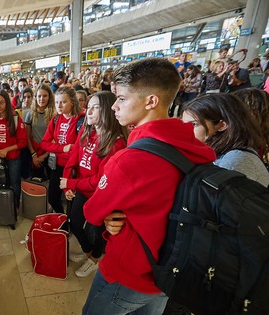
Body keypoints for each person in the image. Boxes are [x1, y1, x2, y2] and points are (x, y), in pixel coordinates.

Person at [81, 58, 216, 315]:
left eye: (121, 99)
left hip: (130, 273)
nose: (115, 107)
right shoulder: (198, 148)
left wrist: (111, 216)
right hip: (171, 271)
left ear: (151, 101)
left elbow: (92, 213)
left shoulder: (129, 160)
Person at [60, 91, 127, 278]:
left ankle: (95, 258)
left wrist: (72, 182)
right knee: (74, 222)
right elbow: (73, 158)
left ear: (107, 110)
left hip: (101, 195)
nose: (88, 111)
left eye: (94, 107)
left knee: (98, 231)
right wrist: (68, 186)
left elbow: (100, 180)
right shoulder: (87, 130)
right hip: (82, 188)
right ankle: (89, 252)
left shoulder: (116, 143)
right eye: (88, 106)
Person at [182, 93, 269, 186]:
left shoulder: (234, 160)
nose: (184, 130)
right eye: (183, 124)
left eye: (194, 124)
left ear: (222, 125)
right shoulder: (221, 152)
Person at [41, 87, 83, 214]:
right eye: (57, 102)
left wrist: (57, 148)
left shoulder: (81, 120)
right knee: (53, 198)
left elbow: (78, 150)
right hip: (57, 165)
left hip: (75, 168)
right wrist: (62, 148)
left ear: (72, 102)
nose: (59, 105)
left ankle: (68, 224)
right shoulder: (55, 120)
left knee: (72, 200)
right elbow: (44, 143)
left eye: (63, 102)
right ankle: (62, 219)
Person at [0, 90, 28, 207]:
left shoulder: (15, 118)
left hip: (13, 158)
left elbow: (23, 142)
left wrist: (7, 150)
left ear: (7, 103)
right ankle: (4, 205)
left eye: (2, 103)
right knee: (1, 183)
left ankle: (14, 206)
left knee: (15, 182)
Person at [25, 84, 55, 179]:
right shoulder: (30, 114)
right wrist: (34, 155)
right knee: (37, 182)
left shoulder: (54, 115)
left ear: (49, 97)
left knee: (51, 181)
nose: (41, 99)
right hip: (34, 151)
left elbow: (55, 139)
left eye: (45, 96)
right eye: (39, 96)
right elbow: (27, 137)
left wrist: (45, 156)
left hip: (50, 152)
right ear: (36, 97)